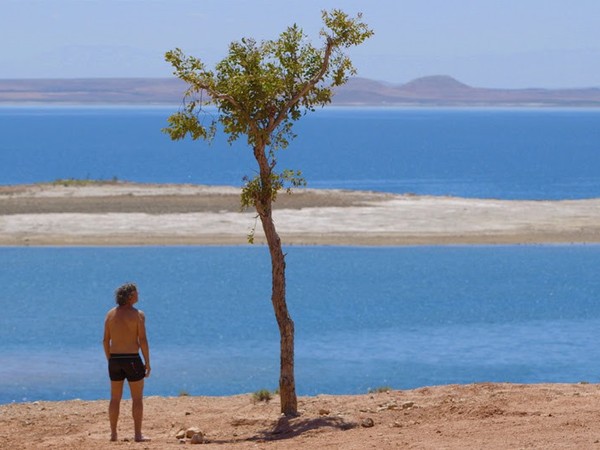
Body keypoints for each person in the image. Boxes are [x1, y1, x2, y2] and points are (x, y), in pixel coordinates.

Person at [103, 283, 151, 442]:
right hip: (132, 358)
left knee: (114, 398)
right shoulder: (138, 315)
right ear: (130, 296)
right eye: (136, 292)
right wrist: (147, 362)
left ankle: (113, 434)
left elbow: (105, 340)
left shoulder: (110, 314)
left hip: (115, 359)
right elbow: (142, 340)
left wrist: (110, 359)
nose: (138, 294)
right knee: (137, 398)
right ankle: (137, 435)